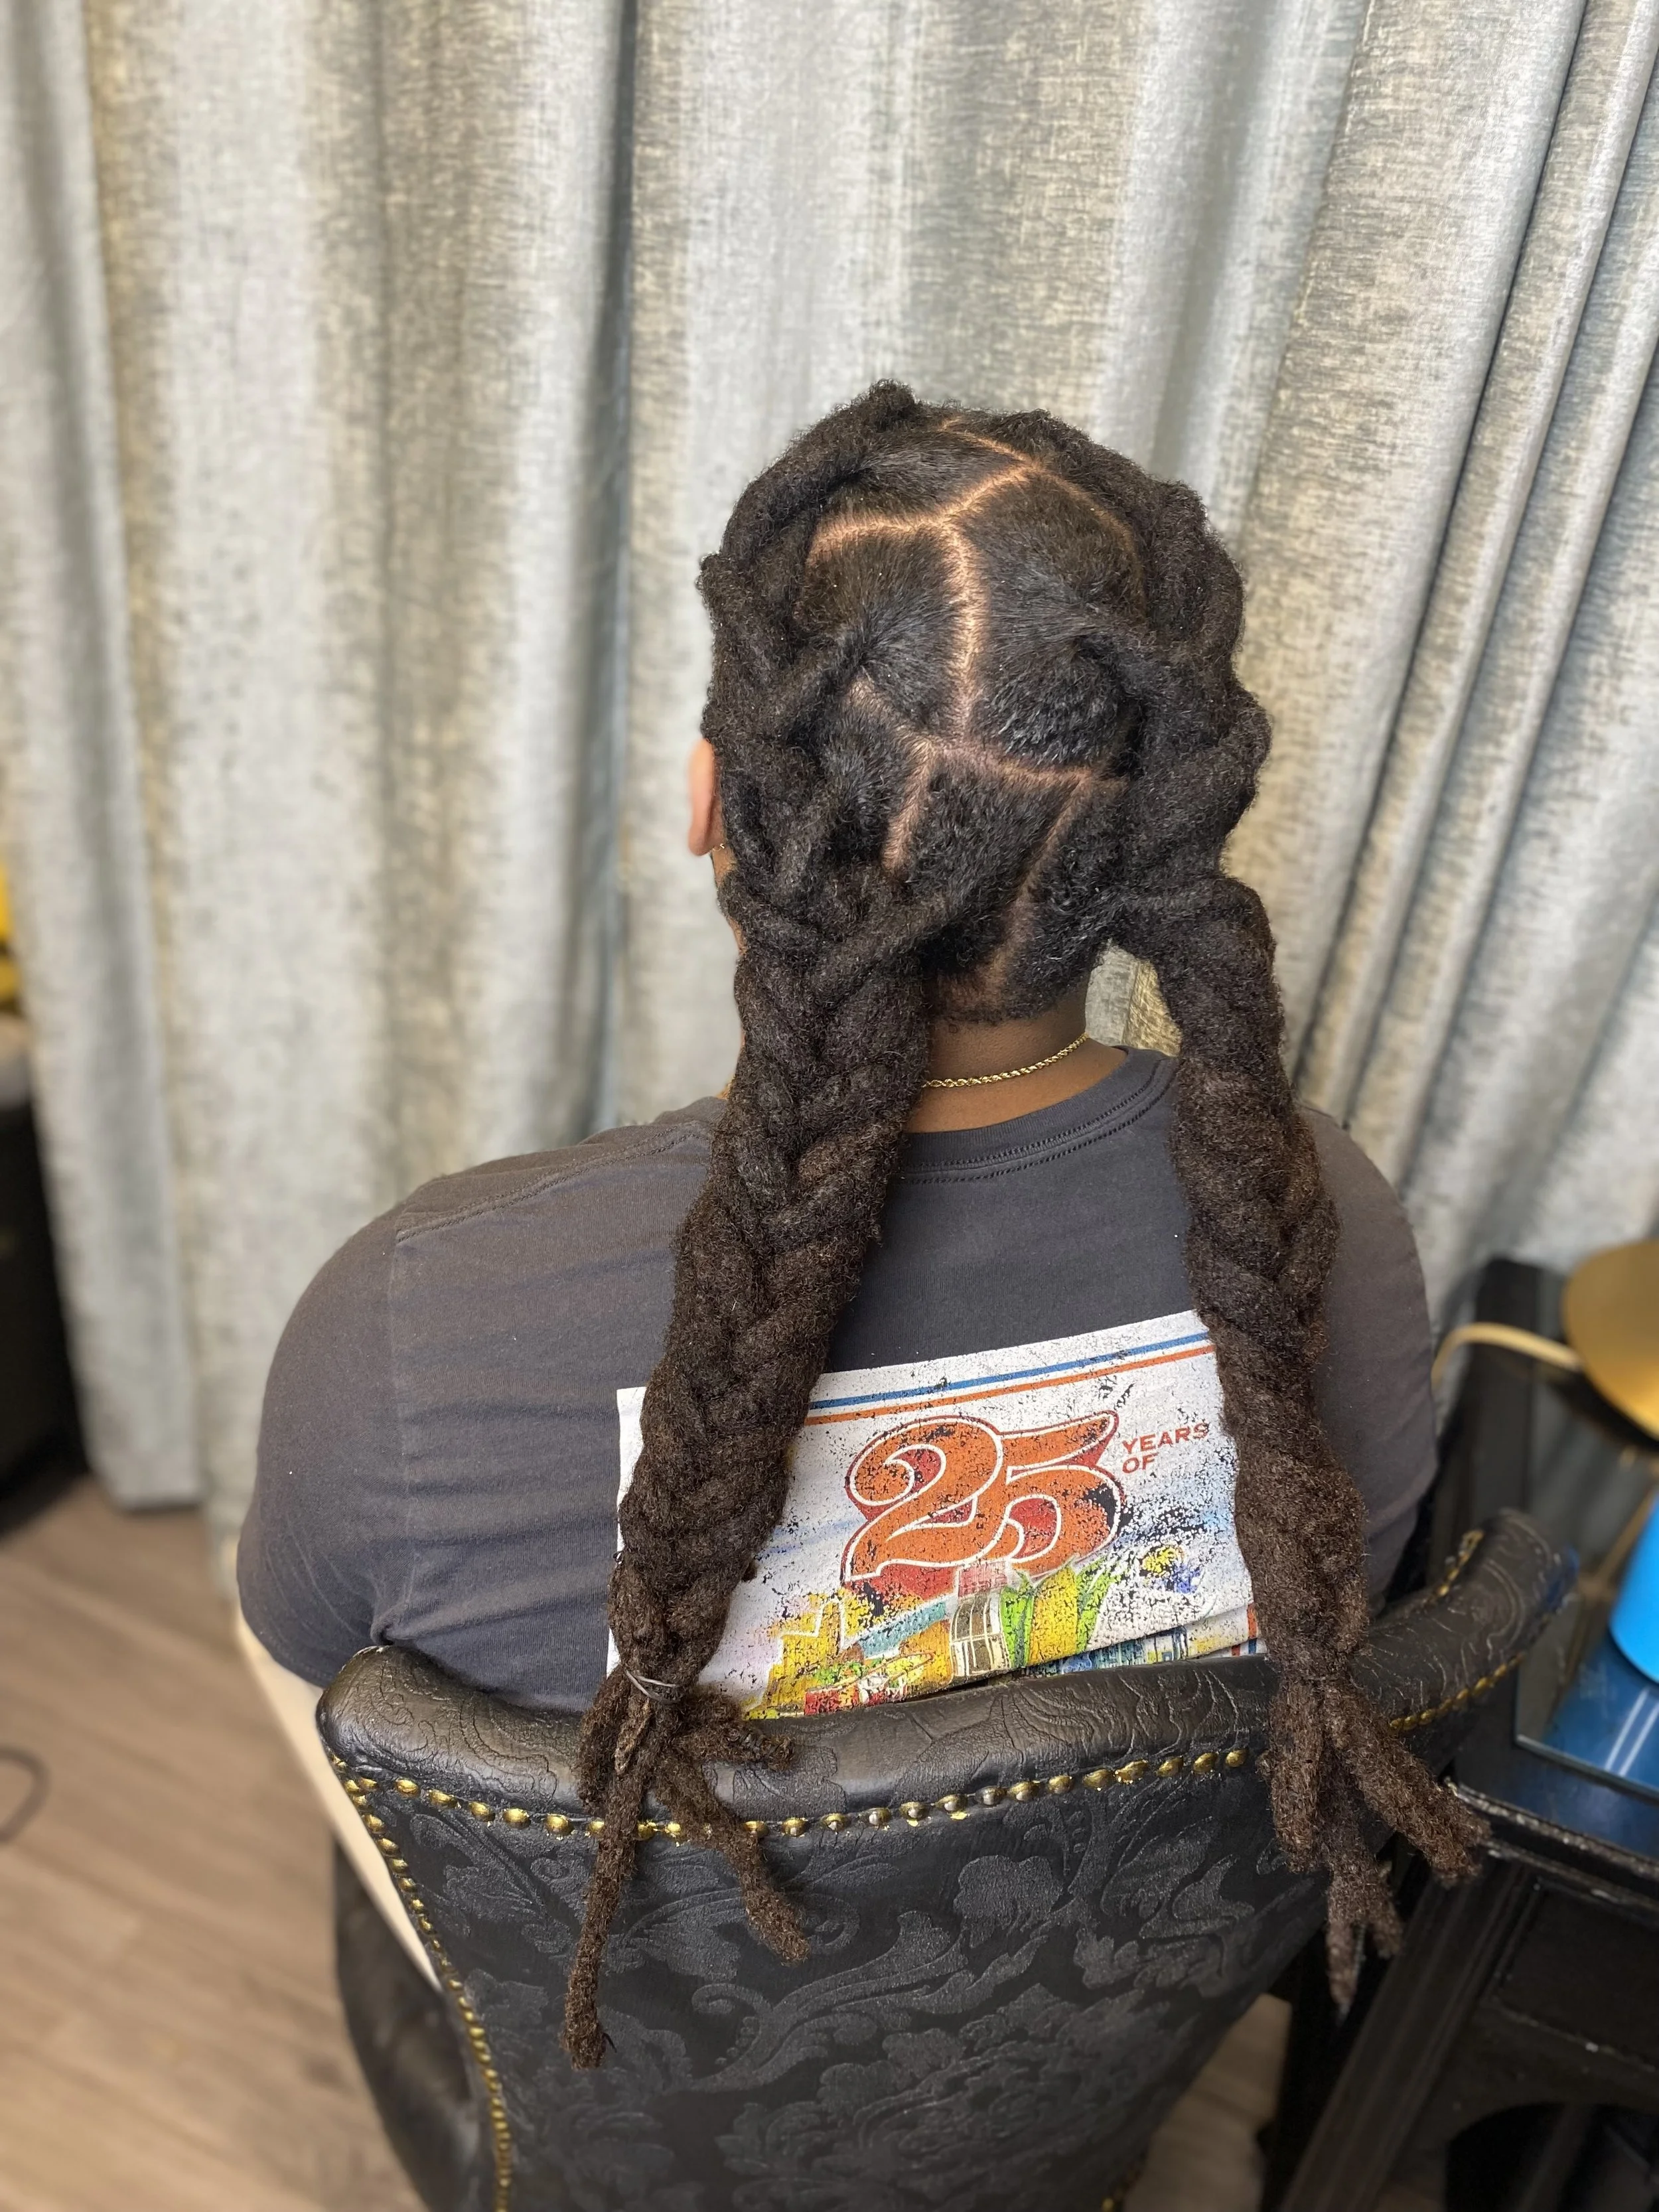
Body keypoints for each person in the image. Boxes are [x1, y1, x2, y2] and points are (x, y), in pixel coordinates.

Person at [238, 384, 1482, 2069]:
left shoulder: (419, 1318)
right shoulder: (1331, 1222)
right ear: (1152, 840)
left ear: (714, 802)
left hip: (662, 2071)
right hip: (1071, 2064)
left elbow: (330, 1696)